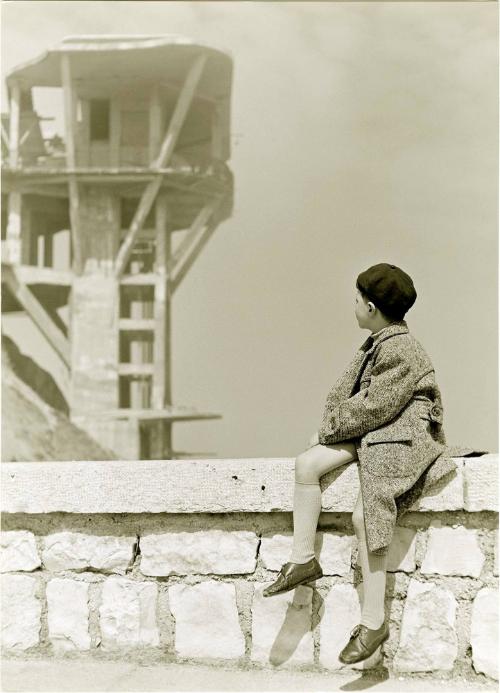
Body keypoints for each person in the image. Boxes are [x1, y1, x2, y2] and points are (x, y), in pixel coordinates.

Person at [262, 262, 458, 665]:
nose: (352, 305)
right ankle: (303, 559)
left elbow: (374, 406)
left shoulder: (401, 348)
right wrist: (330, 433)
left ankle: (373, 622)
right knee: (307, 464)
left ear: (370, 307)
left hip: (404, 436)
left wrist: (331, 428)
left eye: (355, 299)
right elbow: (369, 409)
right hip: (379, 429)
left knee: (367, 516)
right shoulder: (380, 343)